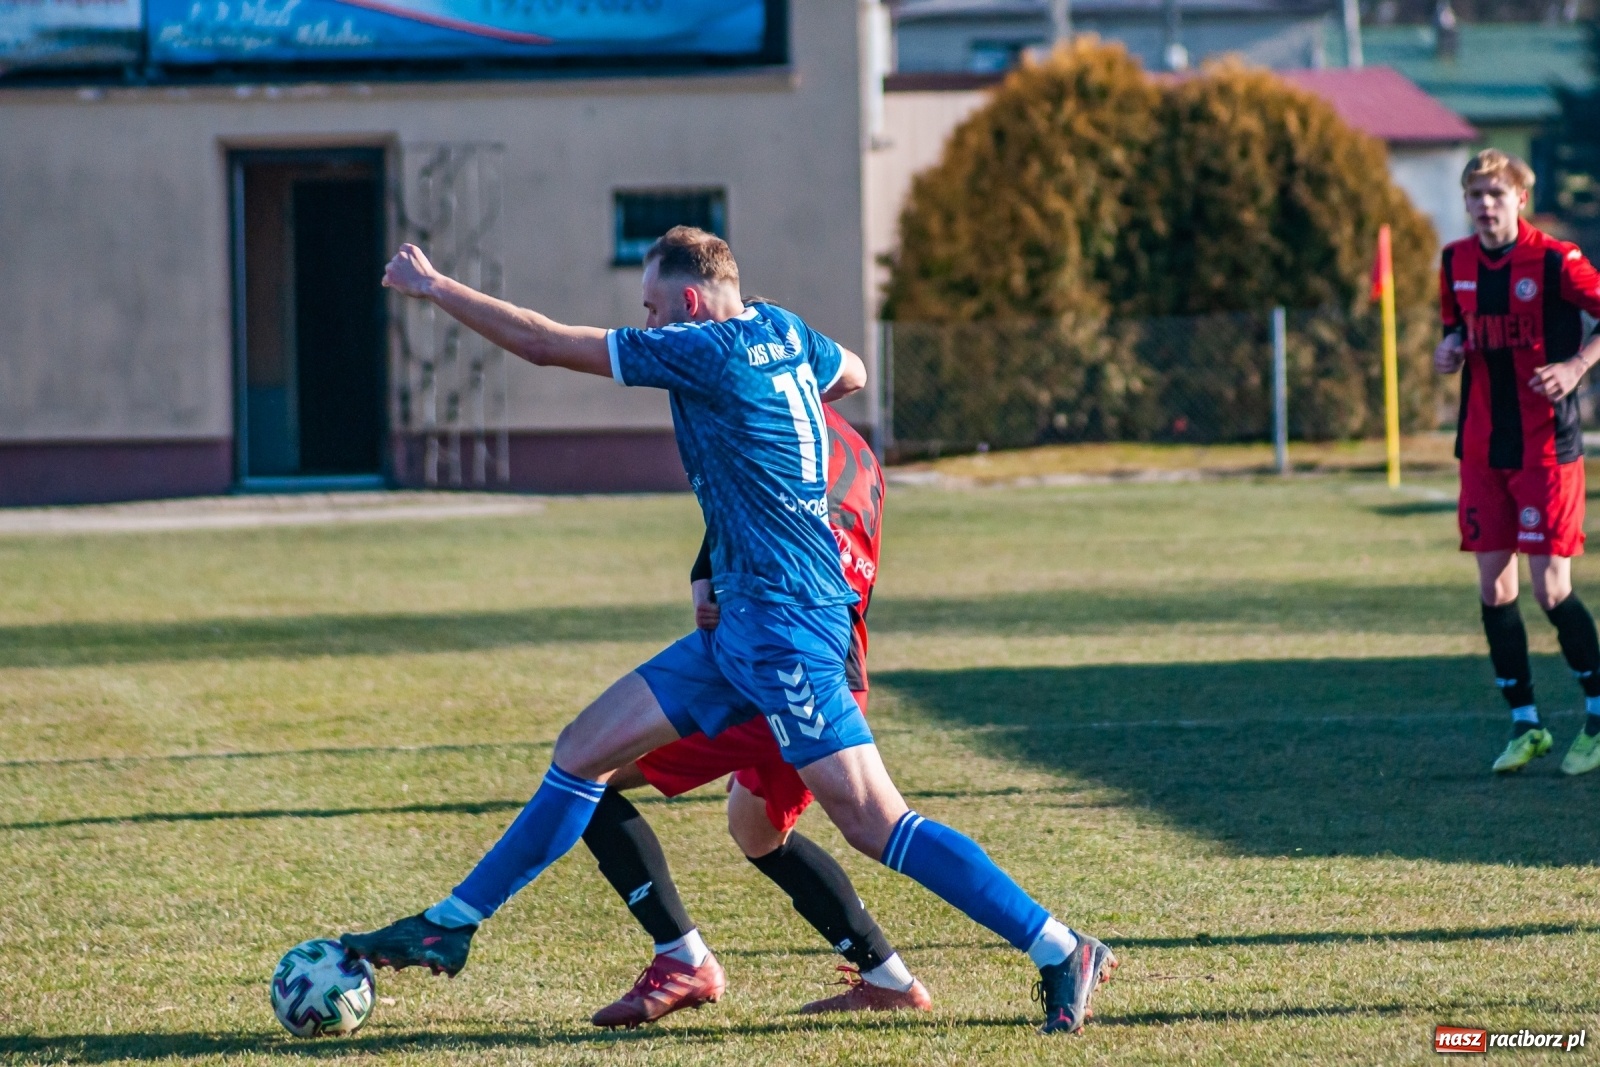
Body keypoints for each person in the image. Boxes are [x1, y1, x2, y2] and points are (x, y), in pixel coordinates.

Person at [340, 226, 1115, 1035]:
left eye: (649, 306)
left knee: (874, 821)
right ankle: (452, 923)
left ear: (685, 301)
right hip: (737, 626)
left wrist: (437, 289)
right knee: (582, 751)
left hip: (788, 630)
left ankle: (1061, 947)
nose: (643, 319)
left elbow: (542, 343)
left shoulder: (701, 347)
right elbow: (849, 369)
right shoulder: (783, 331)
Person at [579, 398, 930, 1029]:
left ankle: (681, 958)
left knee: (587, 774)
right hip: (836, 673)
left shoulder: (776, 433)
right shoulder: (856, 450)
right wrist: (705, 575)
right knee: (758, 831)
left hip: (777, 675)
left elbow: (756, 520)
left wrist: (707, 582)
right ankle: (888, 978)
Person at [1434, 149, 1600, 775]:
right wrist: (1449, 349)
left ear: (1520, 199)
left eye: (1495, 195)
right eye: (1475, 195)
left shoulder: (1556, 260)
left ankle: (1598, 711)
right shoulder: (1455, 261)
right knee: (1493, 587)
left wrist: (1577, 365)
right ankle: (1526, 724)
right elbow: (1456, 327)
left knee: (1549, 588)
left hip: (1544, 450)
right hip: (1482, 448)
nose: (1484, 205)